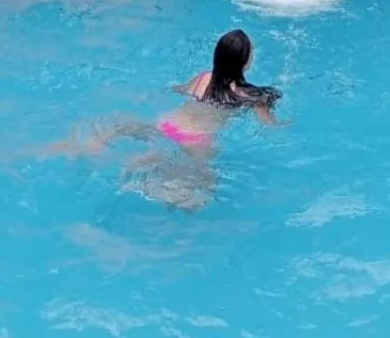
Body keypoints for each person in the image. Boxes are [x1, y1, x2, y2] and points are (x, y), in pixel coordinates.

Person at [48, 29, 281, 208]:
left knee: (147, 144)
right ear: (245, 61)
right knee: (197, 198)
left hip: (168, 124)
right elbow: (269, 127)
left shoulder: (203, 78)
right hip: (196, 140)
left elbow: (178, 89)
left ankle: (100, 150)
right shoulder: (250, 96)